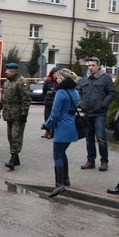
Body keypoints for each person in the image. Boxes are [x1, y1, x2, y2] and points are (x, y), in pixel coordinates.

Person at [43, 69, 80, 197]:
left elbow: (55, 114)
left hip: (62, 128)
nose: (56, 80)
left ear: (63, 79)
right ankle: (66, 178)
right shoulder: (74, 92)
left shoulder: (61, 92)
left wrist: (46, 125)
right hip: (72, 127)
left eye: (58, 78)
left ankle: (59, 185)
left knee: (57, 155)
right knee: (62, 153)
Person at [79, 56, 116, 171]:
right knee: (89, 138)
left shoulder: (105, 79)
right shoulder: (85, 79)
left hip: (99, 113)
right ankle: (90, 161)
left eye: (93, 65)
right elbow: (80, 92)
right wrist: (81, 103)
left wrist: (103, 104)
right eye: (89, 65)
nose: (91, 68)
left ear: (99, 66)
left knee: (101, 138)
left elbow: (112, 93)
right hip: (87, 113)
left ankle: (104, 161)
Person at [0, 62, 31, 170]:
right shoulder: (7, 82)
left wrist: (24, 114)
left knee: (16, 136)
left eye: (8, 70)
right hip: (8, 114)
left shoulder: (22, 82)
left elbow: (26, 99)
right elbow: (4, 97)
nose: (6, 72)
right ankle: (15, 158)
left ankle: (13, 157)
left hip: (18, 115)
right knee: (10, 136)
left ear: (13, 71)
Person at [41, 67, 59, 139]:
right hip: (48, 102)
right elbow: (44, 91)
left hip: (56, 103)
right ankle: (47, 131)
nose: (54, 75)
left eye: (56, 73)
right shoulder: (48, 81)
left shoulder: (60, 81)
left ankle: (53, 133)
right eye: (53, 73)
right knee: (46, 117)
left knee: (54, 118)